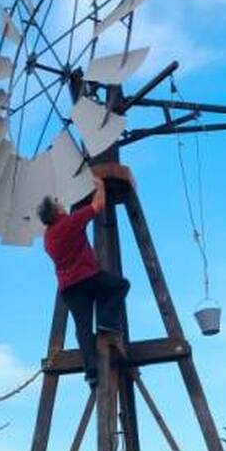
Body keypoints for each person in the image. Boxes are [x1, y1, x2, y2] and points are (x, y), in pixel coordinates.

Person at [39, 165, 134, 386]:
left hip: (69, 288)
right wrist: (100, 186)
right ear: (58, 212)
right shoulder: (69, 222)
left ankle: (91, 372)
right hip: (88, 277)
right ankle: (107, 321)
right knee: (120, 286)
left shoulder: (48, 238)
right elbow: (97, 206)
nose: (61, 204)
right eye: (58, 204)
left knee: (82, 327)